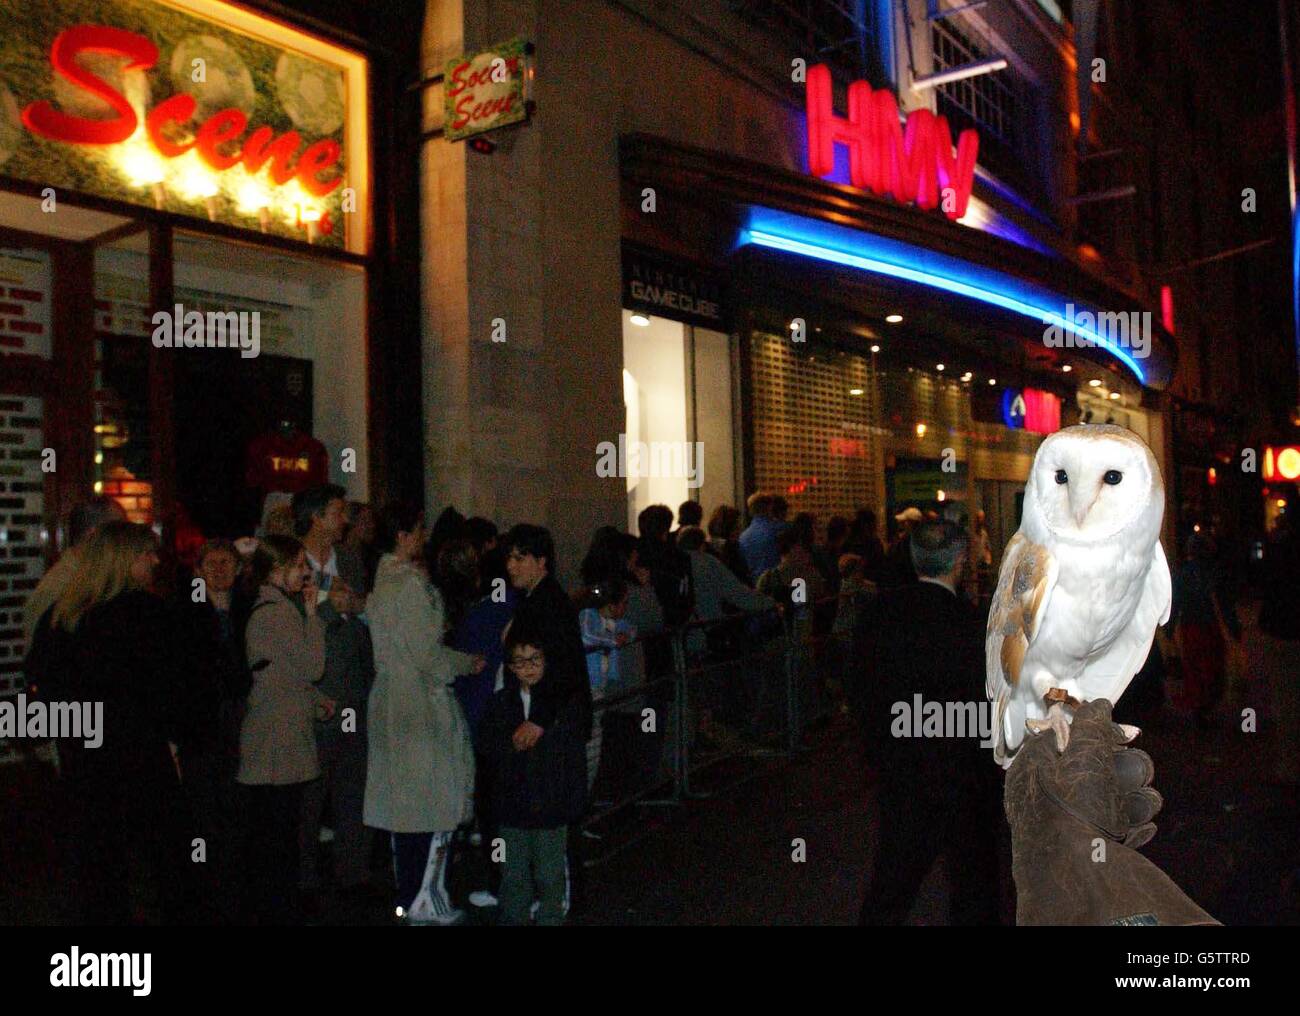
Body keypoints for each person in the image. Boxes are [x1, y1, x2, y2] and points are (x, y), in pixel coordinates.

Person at [24, 521, 198, 924]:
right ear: (125, 560)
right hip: (140, 753)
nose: (156, 560)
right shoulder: (147, 614)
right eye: (147, 553)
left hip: (86, 755)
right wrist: (176, 739)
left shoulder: (64, 615)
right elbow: (173, 688)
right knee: (168, 860)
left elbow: (42, 681)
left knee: (99, 865)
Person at [851, 520, 1000, 925]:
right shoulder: (973, 624)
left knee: (893, 879)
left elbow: (861, 688)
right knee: (975, 882)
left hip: (901, 766)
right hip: (962, 770)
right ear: (960, 561)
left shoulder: (878, 616)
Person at [364, 502, 484, 925]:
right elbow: (427, 655)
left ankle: (411, 895)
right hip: (419, 704)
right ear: (403, 535)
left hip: (394, 701)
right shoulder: (410, 587)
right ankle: (424, 899)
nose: (423, 537)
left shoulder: (382, 582)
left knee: (405, 809)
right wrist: (464, 663)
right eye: (417, 529)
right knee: (433, 806)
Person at [236, 534, 332, 925]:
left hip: (276, 731)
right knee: (279, 834)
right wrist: (314, 617)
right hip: (280, 737)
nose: (306, 573)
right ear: (276, 570)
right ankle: (277, 910)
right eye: (298, 565)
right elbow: (312, 667)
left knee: (274, 831)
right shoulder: (278, 612)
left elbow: (285, 674)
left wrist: (314, 701)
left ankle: (272, 907)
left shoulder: (270, 608)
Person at [291, 484, 374, 898]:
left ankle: (353, 875)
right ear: (316, 517)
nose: (347, 520)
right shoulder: (290, 563)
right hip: (313, 694)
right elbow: (287, 628)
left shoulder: (353, 561)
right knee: (309, 792)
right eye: (339, 512)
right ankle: (304, 881)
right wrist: (328, 608)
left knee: (352, 786)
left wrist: (356, 606)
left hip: (352, 691)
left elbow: (364, 611)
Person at [482, 622, 589, 925]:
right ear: (511, 667)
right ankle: (514, 917)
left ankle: (550, 918)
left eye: (535, 659)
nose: (528, 667)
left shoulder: (563, 704)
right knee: (512, 874)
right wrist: (510, 746)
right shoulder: (502, 704)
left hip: (552, 805)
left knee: (550, 874)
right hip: (513, 807)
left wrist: (574, 801)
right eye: (520, 661)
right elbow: (489, 748)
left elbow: (573, 755)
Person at [174, 537, 255, 922]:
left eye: (228, 563)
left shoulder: (247, 608)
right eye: (212, 563)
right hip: (201, 725)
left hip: (240, 720)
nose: (220, 570)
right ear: (198, 570)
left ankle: (234, 885)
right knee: (202, 808)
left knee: (236, 804)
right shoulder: (185, 612)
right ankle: (202, 886)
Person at [22, 495, 126, 646]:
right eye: (119, 533)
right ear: (94, 535)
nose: (125, 542)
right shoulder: (59, 587)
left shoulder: (96, 579)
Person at [1168, 532, 1240, 729]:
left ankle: (1198, 706)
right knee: (1212, 667)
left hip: (1190, 627)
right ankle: (1206, 705)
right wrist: (1234, 628)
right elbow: (1225, 605)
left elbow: (1175, 603)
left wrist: (1169, 628)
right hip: (1210, 627)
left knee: (1194, 667)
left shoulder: (1182, 575)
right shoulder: (1213, 574)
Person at [579, 576, 635, 792]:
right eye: (624, 602)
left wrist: (624, 637)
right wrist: (613, 641)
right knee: (591, 738)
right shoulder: (587, 616)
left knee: (595, 735)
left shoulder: (617, 623)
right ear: (612, 605)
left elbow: (631, 629)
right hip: (588, 685)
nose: (626, 607)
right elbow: (586, 634)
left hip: (600, 685)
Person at [1258, 517, 1300, 784]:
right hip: (1284, 630)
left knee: (1286, 703)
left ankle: (1289, 764)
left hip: (1280, 631)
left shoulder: (1278, 553)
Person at [738, 493, 786, 579]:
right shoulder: (779, 530)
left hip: (753, 583)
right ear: (769, 508)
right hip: (775, 581)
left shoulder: (743, 537)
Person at [706, 504, 751, 584]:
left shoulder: (706, 547)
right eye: (737, 526)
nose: (740, 530)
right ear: (730, 527)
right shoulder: (731, 549)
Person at [342, 501, 381, 593]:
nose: (372, 525)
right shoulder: (338, 555)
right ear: (351, 524)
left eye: (372, 521)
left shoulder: (373, 556)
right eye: (365, 521)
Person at [881, 507, 923, 588]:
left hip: (905, 583)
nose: (900, 525)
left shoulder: (907, 541)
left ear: (910, 523)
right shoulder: (918, 539)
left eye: (903, 522)